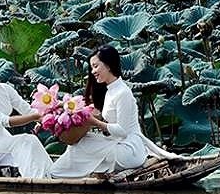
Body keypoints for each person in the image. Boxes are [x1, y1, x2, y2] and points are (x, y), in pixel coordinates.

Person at [49, 45, 179, 178]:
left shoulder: (123, 93)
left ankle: (58, 175)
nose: (93, 71)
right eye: (92, 67)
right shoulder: (111, 91)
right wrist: (64, 105)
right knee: (82, 142)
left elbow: (122, 131)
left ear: (108, 65)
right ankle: (62, 173)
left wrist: (95, 122)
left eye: (95, 66)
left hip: (130, 151)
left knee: (83, 145)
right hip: (119, 144)